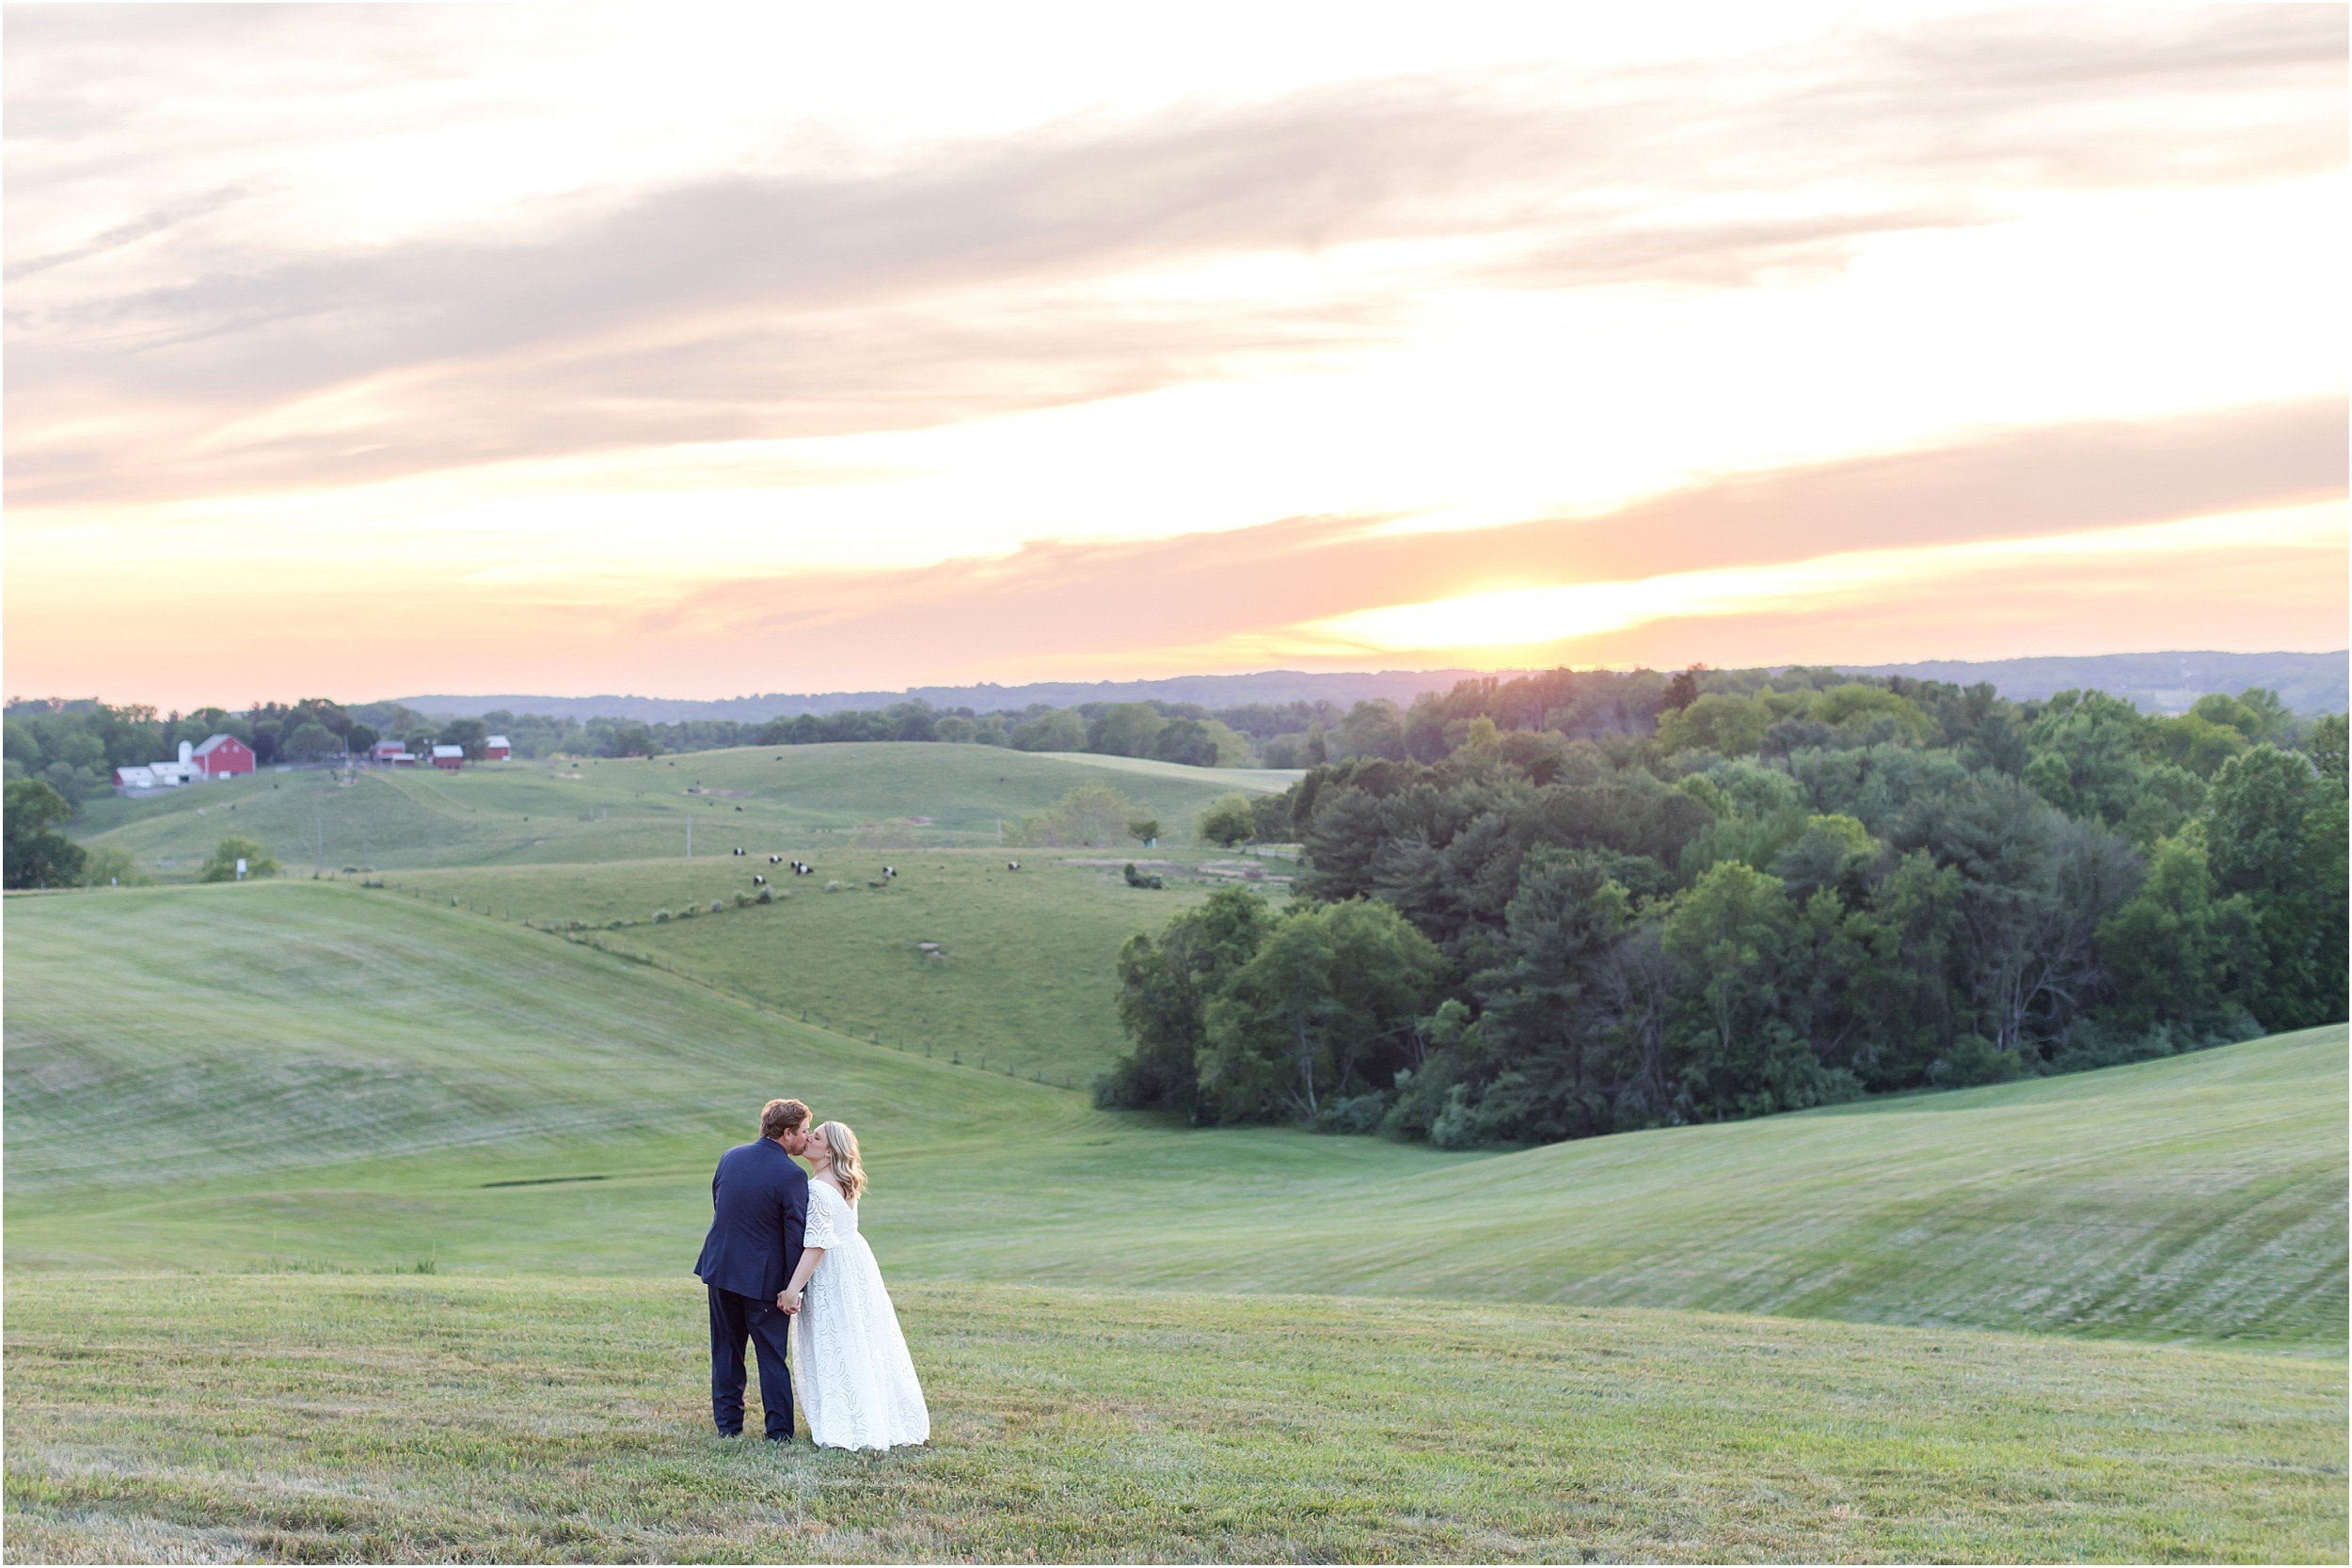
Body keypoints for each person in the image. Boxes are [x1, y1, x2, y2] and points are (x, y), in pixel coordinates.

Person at [778, 1120, 930, 1450]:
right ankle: (871, 1412)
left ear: (829, 1149)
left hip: (833, 1268)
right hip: (856, 1264)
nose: (807, 1140)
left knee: (836, 1337)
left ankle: (849, 1418)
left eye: (815, 1137)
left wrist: (793, 1289)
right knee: (860, 1337)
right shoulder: (845, 1182)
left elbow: (817, 1244)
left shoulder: (818, 1188)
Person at [693, 1097, 811, 1441]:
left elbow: (720, 1204)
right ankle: (778, 1434)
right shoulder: (792, 1175)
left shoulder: (731, 1157)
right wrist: (794, 1287)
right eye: (804, 1132)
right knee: (771, 1357)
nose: (807, 1138)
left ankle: (728, 1428)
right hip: (763, 1282)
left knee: (726, 1351)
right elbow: (795, 1236)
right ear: (787, 1133)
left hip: (719, 1268)